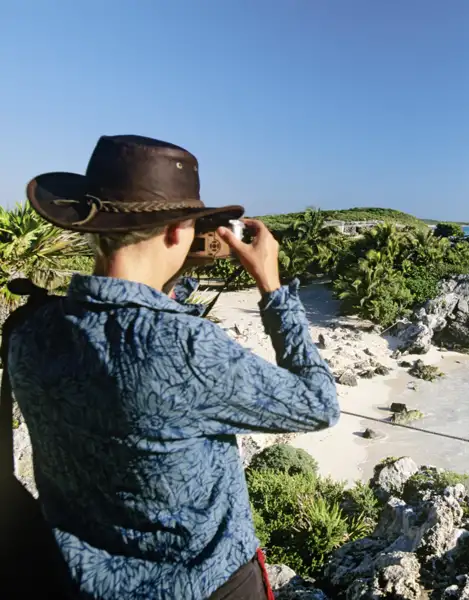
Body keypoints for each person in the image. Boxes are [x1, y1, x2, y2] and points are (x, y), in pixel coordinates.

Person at [8, 135, 340, 599]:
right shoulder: (186, 348)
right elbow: (319, 404)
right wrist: (272, 286)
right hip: (207, 584)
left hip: (80, 583)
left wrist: (172, 273)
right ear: (177, 231)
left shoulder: (30, 332)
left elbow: (124, 329)